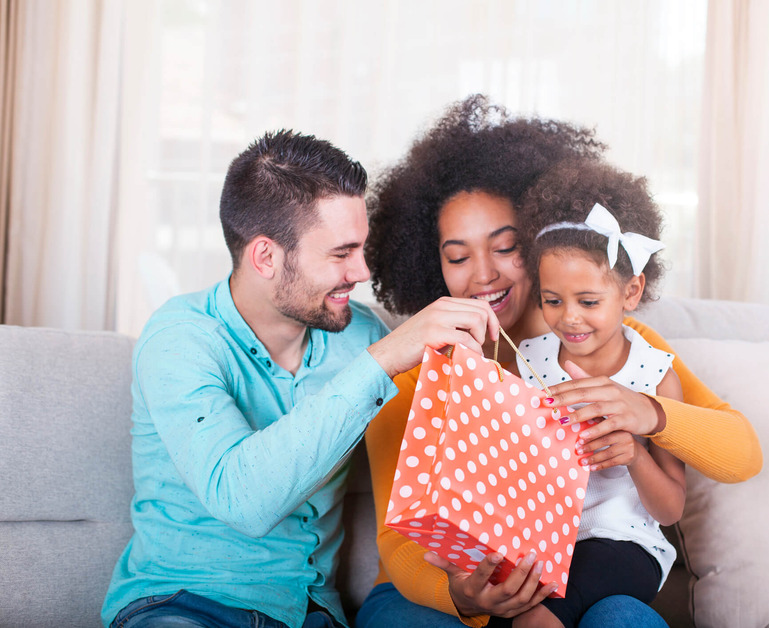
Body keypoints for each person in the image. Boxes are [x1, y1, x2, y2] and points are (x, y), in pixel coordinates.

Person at [358, 95, 762, 628]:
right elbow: (396, 536)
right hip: (444, 597)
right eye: (457, 257)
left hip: (577, 578)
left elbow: (742, 454)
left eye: (504, 247)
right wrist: (463, 595)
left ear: (540, 241)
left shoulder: (610, 342)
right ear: (431, 262)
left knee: (624, 619)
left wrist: (650, 415)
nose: (482, 275)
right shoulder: (414, 368)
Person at [100, 129, 500, 628]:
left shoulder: (361, 336)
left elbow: (429, 477)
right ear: (265, 257)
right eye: (340, 253)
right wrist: (379, 363)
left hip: (312, 616)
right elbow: (242, 501)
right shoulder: (180, 339)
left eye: (362, 249)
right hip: (183, 606)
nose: (362, 272)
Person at [508, 159, 685, 628]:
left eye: (588, 302)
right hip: (542, 542)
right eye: (552, 300)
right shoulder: (527, 360)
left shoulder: (655, 374)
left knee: (536, 619)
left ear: (630, 292)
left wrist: (635, 455)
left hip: (623, 546)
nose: (569, 318)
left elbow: (671, 508)